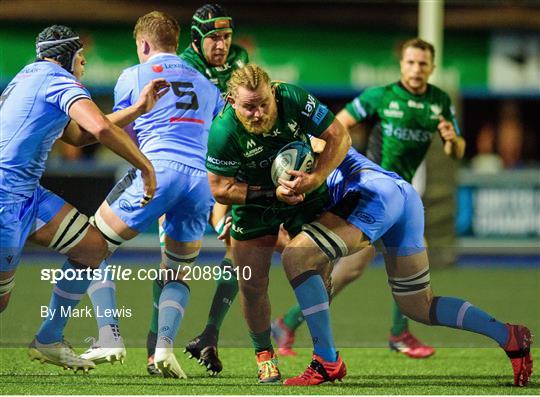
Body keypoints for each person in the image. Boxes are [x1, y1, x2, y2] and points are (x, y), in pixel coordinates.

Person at [272, 37, 466, 359]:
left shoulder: (440, 102)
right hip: (372, 194)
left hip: (400, 195)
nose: (416, 69)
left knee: (347, 271)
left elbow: (456, 151)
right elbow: (339, 126)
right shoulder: (380, 96)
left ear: (432, 67)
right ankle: (398, 334)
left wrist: (451, 140)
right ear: (402, 64)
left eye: (422, 63)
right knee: (397, 258)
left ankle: (287, 323)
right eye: (410, 62)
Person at [278, 145, 532, 387]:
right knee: (419, 305)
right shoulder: (302, 135)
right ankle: (507, 335)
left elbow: (334, 133)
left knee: (301, 257)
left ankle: (325, 359)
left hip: (371, 196)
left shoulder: (296, 142)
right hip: (401, 195)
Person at [0, 24, 162, 372]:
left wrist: (137, 108)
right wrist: (146, 167)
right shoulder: (59, 79)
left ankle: (48, 338)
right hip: (5, 198)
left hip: (26, 193)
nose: (84, 65)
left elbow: (77, 136)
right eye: (82, 58)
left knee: (91, 247)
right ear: (68, 57)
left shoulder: (34, 76)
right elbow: (102, 129)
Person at [77, 11, 223, 378]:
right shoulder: (208, 85)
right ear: (175, 43)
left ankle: (108, 335)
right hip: (200, 181)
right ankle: (164, 351)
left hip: (158, 171)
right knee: (177, 271)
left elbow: (125, 129)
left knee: (88, 244)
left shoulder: (133, 76)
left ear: (143, 44)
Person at [205, 63, 351, 383]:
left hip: (306, 192)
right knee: (252, 284)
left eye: (263, 104)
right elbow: (219, 188)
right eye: (248, 107)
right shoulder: (223, 131)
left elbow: (339, 135)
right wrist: (273, 192)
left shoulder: (293, 99)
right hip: (255, 203)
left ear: (273, 92)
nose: (257, 113)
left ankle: (322, 355)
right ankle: (264, 355)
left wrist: (313, 180)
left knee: (319, 273)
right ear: (231, 102)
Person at [144, 3, 249, 376]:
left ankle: (209, 334)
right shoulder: (178, 65)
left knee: (242, 251)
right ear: (195, 39)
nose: (221, 45)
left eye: (226, 37)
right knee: (174, 266)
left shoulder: (239, 59)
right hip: (185, 170)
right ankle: (155, 346)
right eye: (213, 38)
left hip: (226, 171)